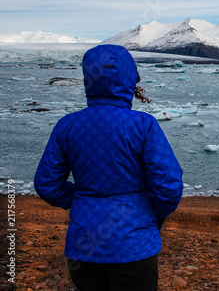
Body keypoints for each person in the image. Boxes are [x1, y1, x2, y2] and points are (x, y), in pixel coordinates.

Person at [34, 44, 183, 291]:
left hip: (82, 245)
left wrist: (80, 199)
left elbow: (46, 184)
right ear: (129, 77)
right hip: (134, 244)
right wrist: (153, 213)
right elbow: (169, 185)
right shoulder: (143, 125)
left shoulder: (67, 125)